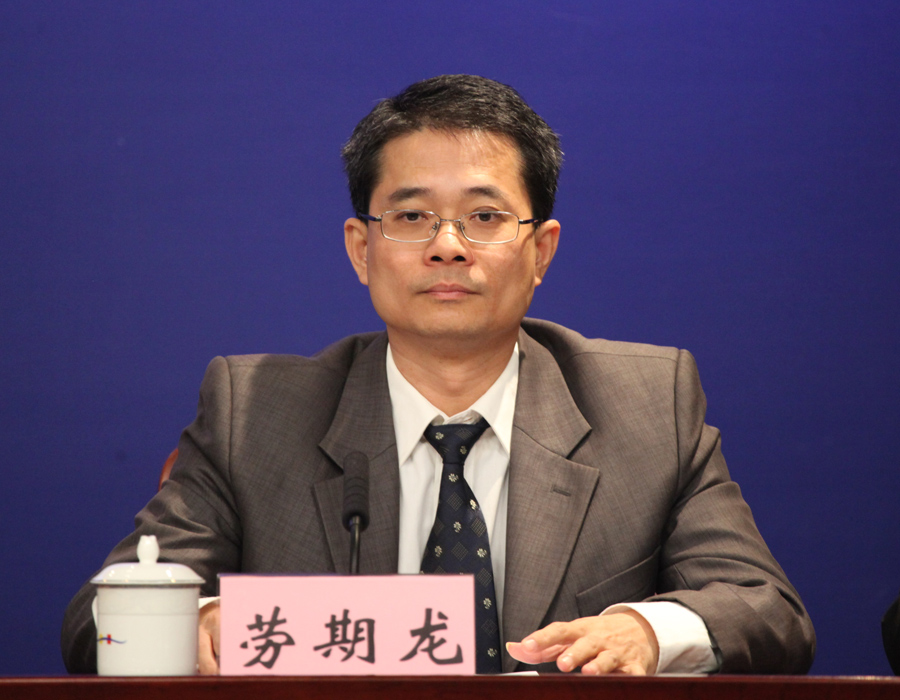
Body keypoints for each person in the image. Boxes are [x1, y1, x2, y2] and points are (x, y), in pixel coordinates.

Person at [61, 74, 815, 676]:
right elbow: (91, 624)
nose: (447, 246)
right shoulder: (254, 412)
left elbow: (768, 611)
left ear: (542, 251)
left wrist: (646, 630)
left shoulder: (647, 405)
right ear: (361, 250)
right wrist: (196, 622)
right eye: (412, 216)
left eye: (484, 217)